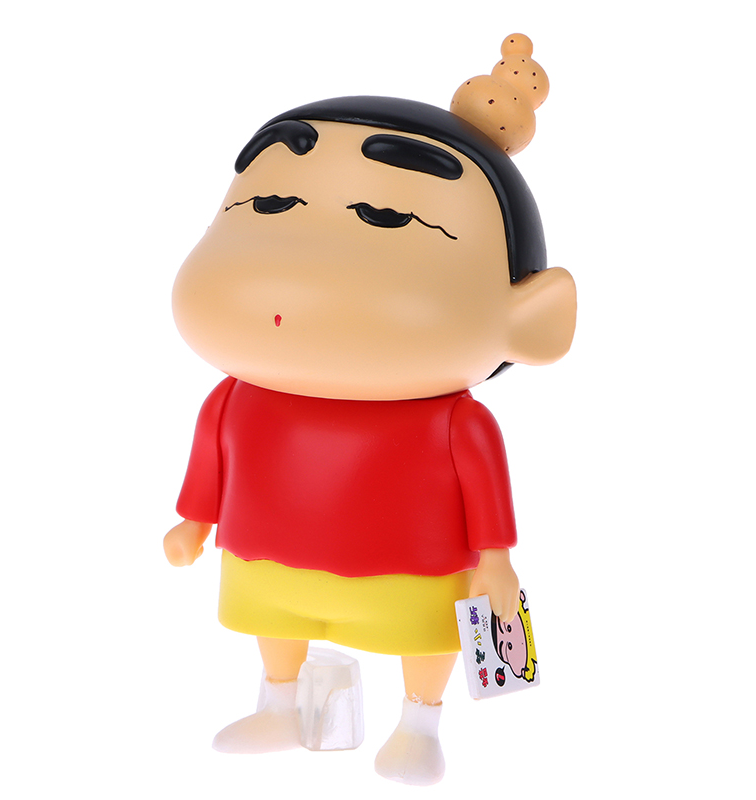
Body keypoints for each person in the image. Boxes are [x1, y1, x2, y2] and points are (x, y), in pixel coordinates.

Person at [164, 34, 576, 786]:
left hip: (409, 567)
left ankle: (418, 725)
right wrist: (193, 521)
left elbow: (484, 496)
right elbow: (213, 458)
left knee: (421, 635)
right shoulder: (237, 398)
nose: (298, 274)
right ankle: (276, 705)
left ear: (533, 318)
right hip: (267, 554)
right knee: (273, 621)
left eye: (386, 217)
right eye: (271, 203)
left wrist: (495, 562)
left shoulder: (454, 422)